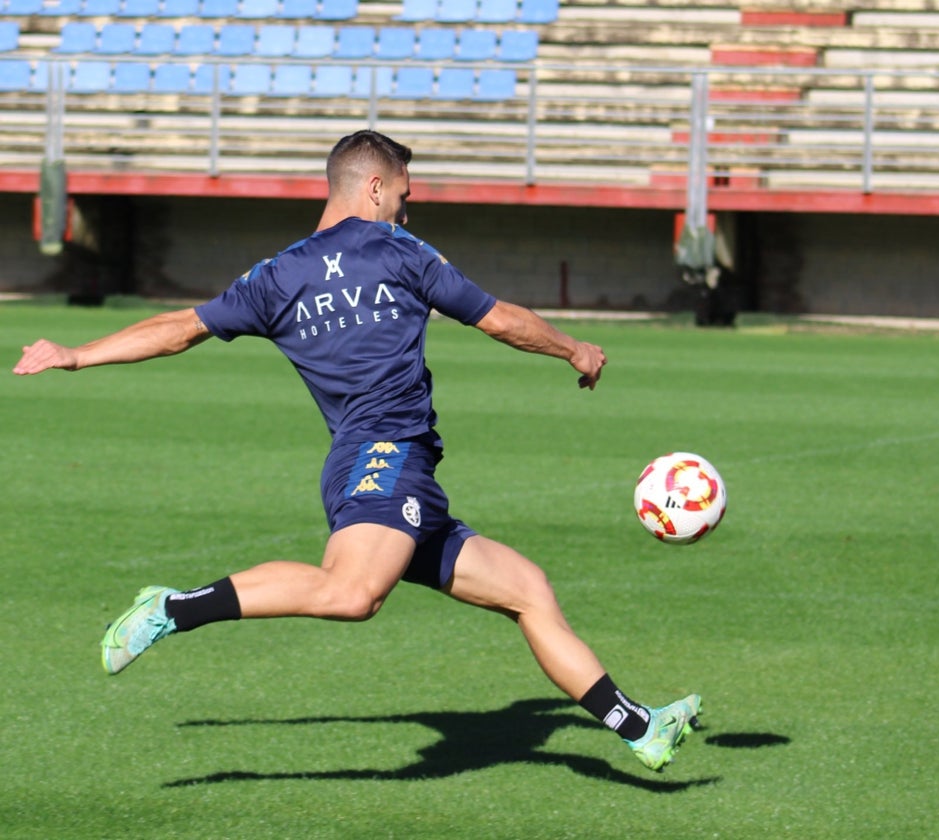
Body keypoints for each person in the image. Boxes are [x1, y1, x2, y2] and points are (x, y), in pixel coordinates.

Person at [12, 130, 702, 772]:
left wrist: (78, 355)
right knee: (351, 593)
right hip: (384, 456)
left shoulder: (277, 276)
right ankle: (173, 607)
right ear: (374, 188)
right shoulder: (400, 251)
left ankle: (639, 726)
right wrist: (574, 347)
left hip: (401, 472)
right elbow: (500, 319)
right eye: (404, 196)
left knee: (527, 591)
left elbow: (175, 329)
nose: (407, 210)